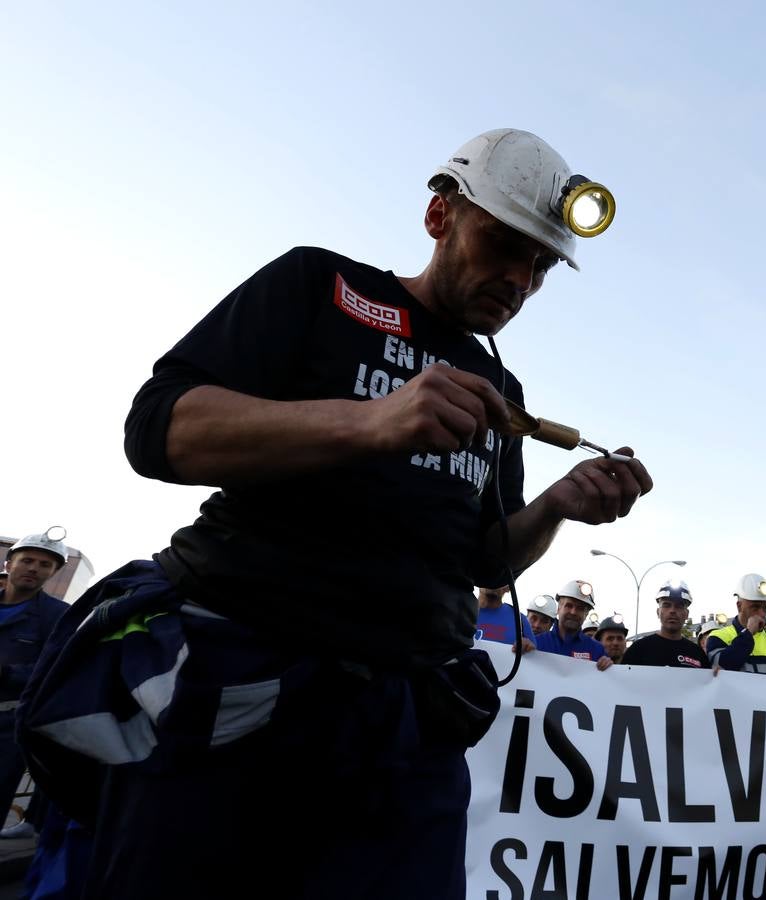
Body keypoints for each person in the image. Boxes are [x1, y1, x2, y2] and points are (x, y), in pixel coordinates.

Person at [17, 128, 651, 900]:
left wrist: (556, 506)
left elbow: (485, 561)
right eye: (502, 243)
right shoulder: (319, 286)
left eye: (541, 265)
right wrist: (370, 422)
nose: (519, 279)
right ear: (440, 216)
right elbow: (158, 431)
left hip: (405, 722)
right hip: (239, 684)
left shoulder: (496, 384)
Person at [0, 529, 71, 838]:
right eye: (27, 560)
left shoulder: (57, 617)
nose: (34, 568)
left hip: (6, 726)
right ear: (9, 563)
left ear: (54, 572)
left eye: (45, 565)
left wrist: (7, 675)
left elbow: (55, 671)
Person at [706, 574, 766, 677]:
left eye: (765, 607)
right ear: (739, 606)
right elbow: (720, 668)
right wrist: (748, 633)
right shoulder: (718, 637)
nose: (762, 614)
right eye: (755, 607)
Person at [623, 582, 709, 669]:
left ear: (686, 614)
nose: (672, 611)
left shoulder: (697, 653)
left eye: (679, 606)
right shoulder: (638, 649)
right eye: (666, 605)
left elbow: (709, 680)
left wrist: (718, 673)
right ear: (658, 612)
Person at [534, 580, 612, 670]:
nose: (573, 612)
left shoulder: (597, 651)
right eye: (569, 605)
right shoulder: (536, 644)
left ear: (586, 614)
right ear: (559, 608)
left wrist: (609, 668)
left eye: (580, 608)